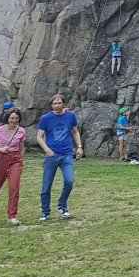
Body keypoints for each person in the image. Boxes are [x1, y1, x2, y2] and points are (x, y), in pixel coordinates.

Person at [37, 93, 83, 221]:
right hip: (52, 156)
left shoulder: (70, 116)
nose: (57, 106)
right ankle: (45, 211)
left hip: (67, 154)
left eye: (59, 103)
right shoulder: (46, 118)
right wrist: (47, 150)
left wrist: (79, 146)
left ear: (64, 104)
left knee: (69, 181)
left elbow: (75, 131)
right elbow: (39, 136)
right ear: (51, 105)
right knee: (47, 185)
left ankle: (62, 206)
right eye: (54, 103)